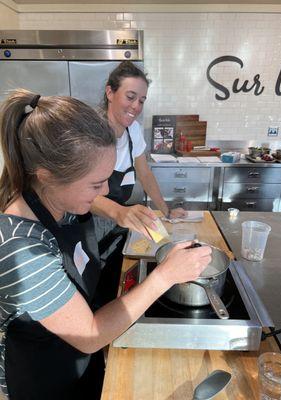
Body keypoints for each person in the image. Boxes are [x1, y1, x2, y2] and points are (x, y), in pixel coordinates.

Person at [0, 89, 212, 400]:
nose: (103, 191)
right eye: (96, 184)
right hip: (44, 379)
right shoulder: (22, 250)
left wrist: (119, 211)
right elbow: (89, 335)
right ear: (48, 176)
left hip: (74, 364)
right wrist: (165, 276)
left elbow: (94, 202)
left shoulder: (58, 202)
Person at [91, 61, 187, 304]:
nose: (136, 106)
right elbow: (79, 192)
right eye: (130, 96)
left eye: (141, 100)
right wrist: (121, 212)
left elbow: (145, 174)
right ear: (110, 92)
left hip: (115, 224)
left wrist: (165, 210)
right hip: (87, 223)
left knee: (115, 280)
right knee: (92, 285)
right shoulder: (91, 130)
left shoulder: (133, 130)